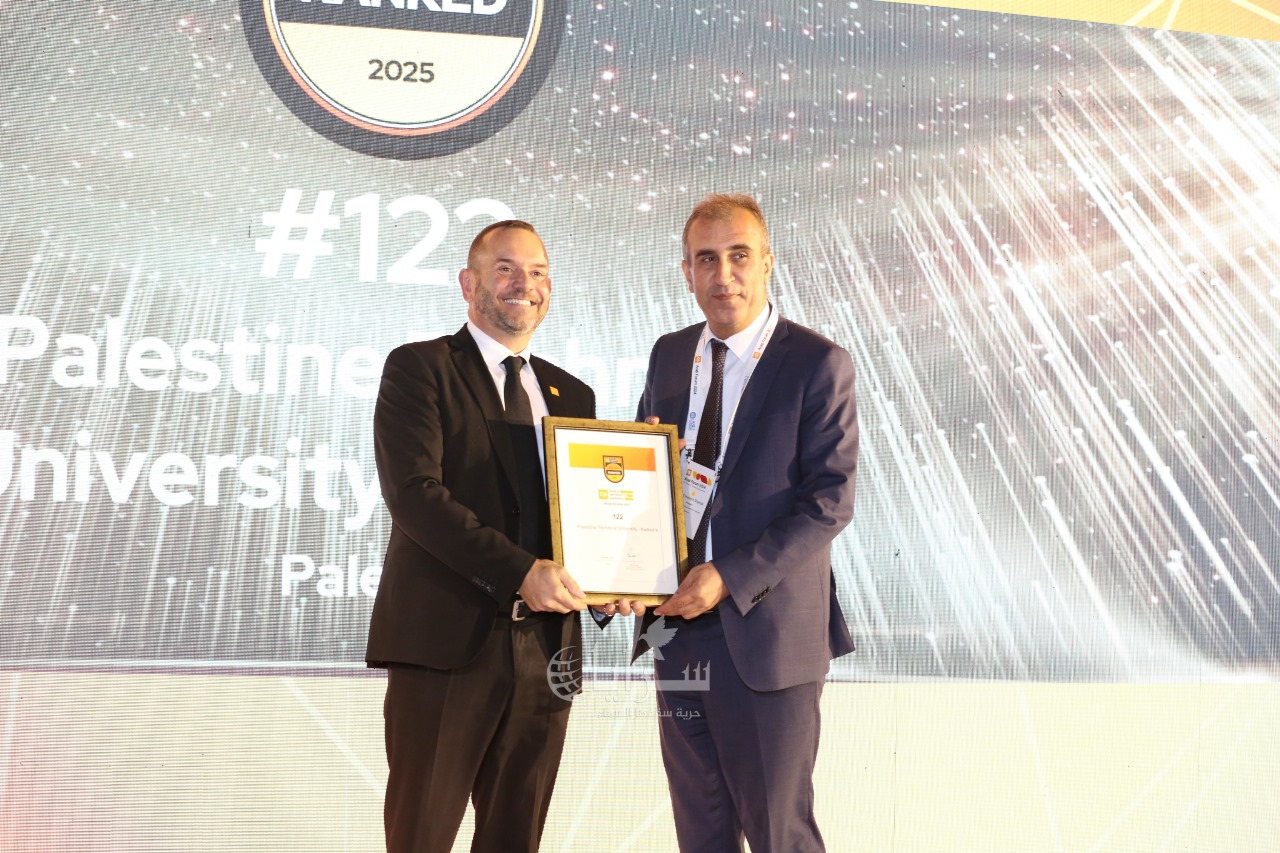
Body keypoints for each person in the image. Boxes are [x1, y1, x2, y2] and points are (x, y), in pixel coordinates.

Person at [366, 220, 629, 853]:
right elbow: (416, 496)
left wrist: (614, 576)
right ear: (469, 283)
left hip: (548, 653)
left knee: (517, 838)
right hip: (446, 647)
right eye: (505, 268)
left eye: (538, 272)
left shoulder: (573, 394)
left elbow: (584, 518)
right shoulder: (421, 368)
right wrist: (520, 572)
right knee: (420, 837)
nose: (524, 284)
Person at [634, 194, 859, 852]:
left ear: (767, 263)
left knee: (777, 833)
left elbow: (830, 500)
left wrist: (727, 577)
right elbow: (644, 478)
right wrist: (624, 572)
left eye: (738, 256)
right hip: (677, 631)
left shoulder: (817, 362)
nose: (723, 274)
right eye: (706, 259)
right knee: (700, 832)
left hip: (767, 636)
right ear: (687, 272)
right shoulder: (670, 354)